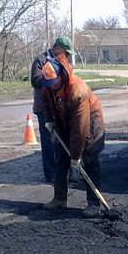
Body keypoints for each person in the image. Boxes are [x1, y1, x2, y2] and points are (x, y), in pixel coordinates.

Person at [39, 53, 105, 217]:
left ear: (61, 75)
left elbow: (79, 128)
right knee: (61, 158)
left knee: (89, 162)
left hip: (89, 124)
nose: (52, 86)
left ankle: (93, 203)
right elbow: (45, 101)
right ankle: (59, 198)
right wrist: (49, 120)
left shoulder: (78, 91)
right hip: (65, 120)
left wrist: (76, 156)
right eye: (49, 84)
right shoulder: (48, 83)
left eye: (54, 83)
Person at [31, 36, 74, 183]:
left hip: (60, 106)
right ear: (57, 48)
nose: (67, 56)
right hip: (44, 107)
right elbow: (35, 81)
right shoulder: (41, 60)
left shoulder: (63, 61)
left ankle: (68, 173)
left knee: (64, 139)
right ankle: (51, 175)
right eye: (65, 52)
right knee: (49, 141)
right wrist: (50, 77)